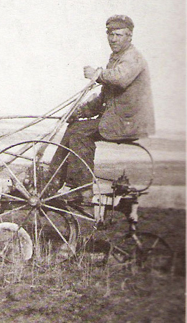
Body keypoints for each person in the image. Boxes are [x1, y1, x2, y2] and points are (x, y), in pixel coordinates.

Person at [49, 15, 156, 205]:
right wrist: (81, 112)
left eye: (118, 35)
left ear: (129, 36)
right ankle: (52, 181)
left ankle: (82, 190)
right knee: (74, 127)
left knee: (80, 133)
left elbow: (120, 79)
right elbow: (105, 97)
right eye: (110, 35)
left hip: (126, 123)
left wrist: (97, 74)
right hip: (117, 120)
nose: (113, 39)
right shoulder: (116, 58)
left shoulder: (132, 58)